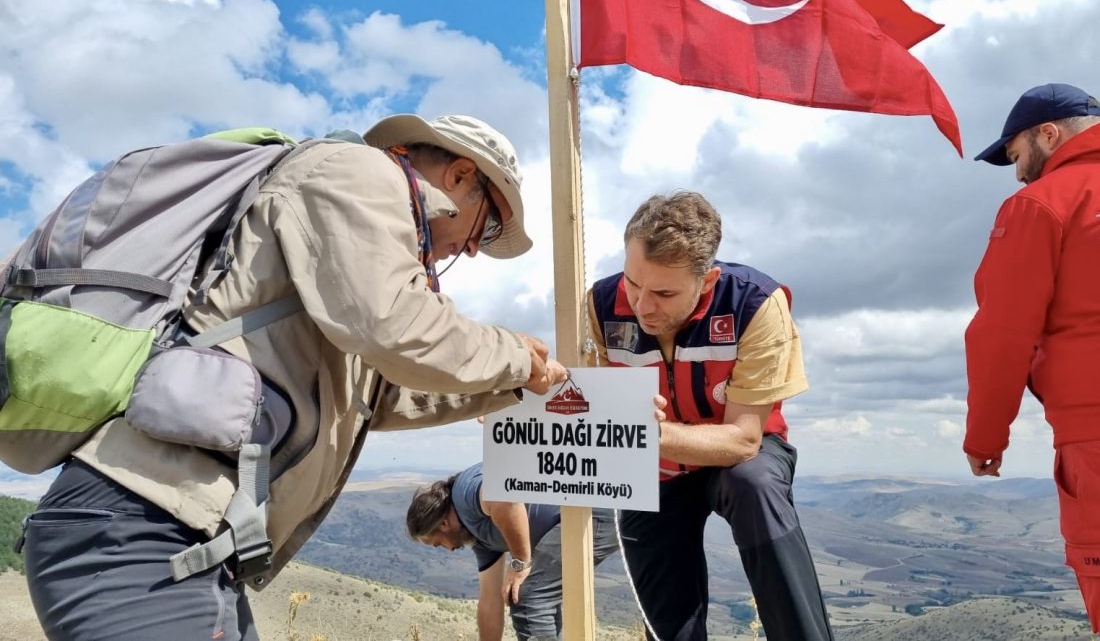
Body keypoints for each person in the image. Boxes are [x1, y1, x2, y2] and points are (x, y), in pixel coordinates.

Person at [14, 114, 569, 640]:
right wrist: (515, 354)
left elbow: (385, 394)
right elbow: (392, 326)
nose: (473, 248)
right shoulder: (360, 172)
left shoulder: (354, 258)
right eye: (488, 223)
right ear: (461, 174)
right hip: (143, 530)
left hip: (181, 537)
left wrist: (513, 385)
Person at [586, 191, 833, 640]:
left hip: (738, 455)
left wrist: (652, 434)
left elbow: (744, 441)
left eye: (664, 292)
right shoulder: (600, 305)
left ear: (707, 280)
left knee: (753, 485)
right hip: (654, 469)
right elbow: (584, 397)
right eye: (633, 283)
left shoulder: (756, 303)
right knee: (666, 625)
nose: (642, 306)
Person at [965, 82, 1100, 633]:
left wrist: (985, 440)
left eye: (1018, 156)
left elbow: (1002, 334)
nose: (1019, 173)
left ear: (1049, 133)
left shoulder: (1042, 203)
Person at [406, 463, 619, 641]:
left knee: (528, 595)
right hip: (580, 514)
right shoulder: (478, 537)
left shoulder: (464, 494)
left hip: (592, 507)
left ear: (443, 524)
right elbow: (490, 600)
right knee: (532, 595)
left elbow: (504, 499)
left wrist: (520, 561)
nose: (449, 550)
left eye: (438, 544)